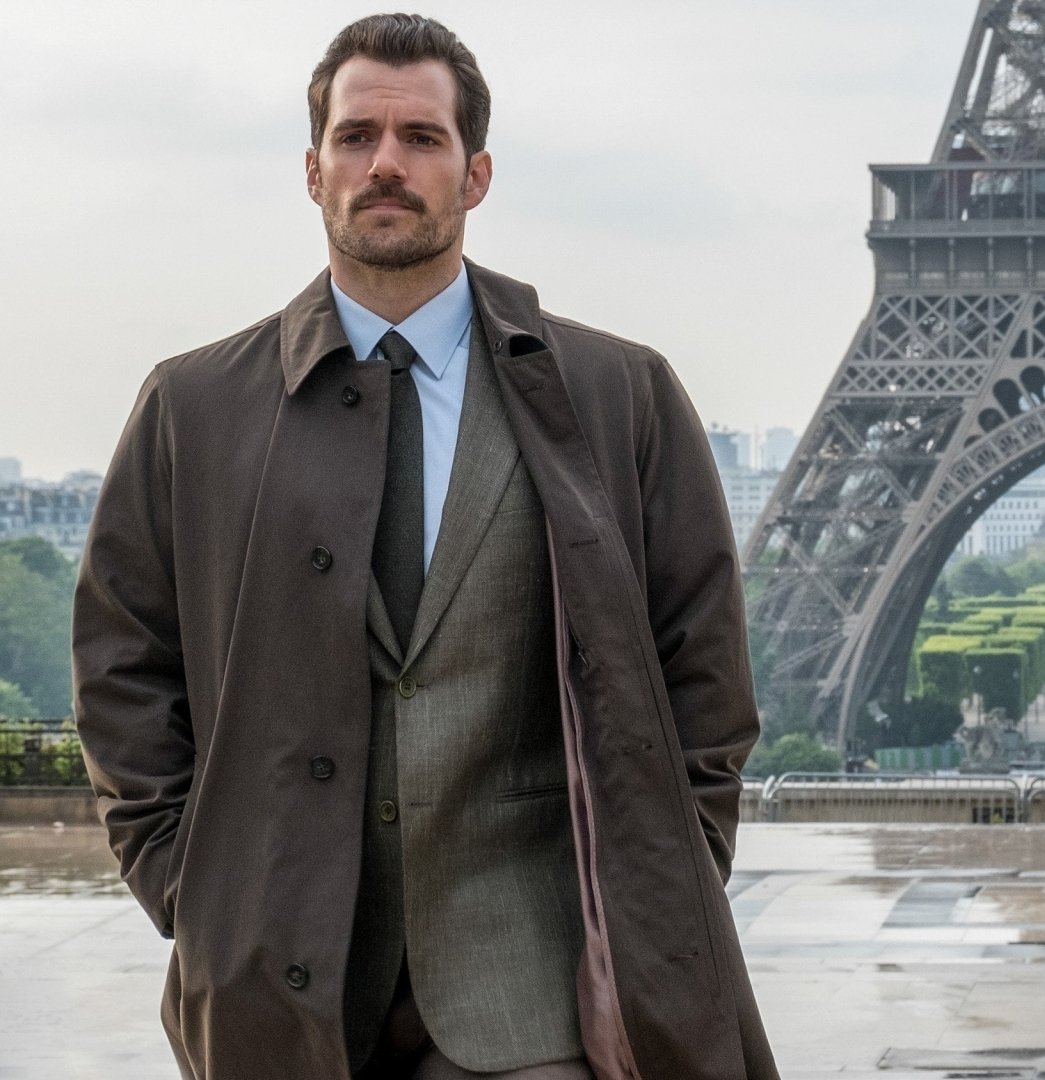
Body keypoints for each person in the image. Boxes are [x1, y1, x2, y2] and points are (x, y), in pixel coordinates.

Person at [72, 14, 777, 1080]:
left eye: (421, 138)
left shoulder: (618, 392)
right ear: (312, 171)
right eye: (356, 137)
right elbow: (124, 667)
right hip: (285, 989)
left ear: (477, 173)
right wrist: (193, 888)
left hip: (540, 1002)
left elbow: (705, 666)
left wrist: (661, 881)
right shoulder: (191, 408)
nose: (386, 164)